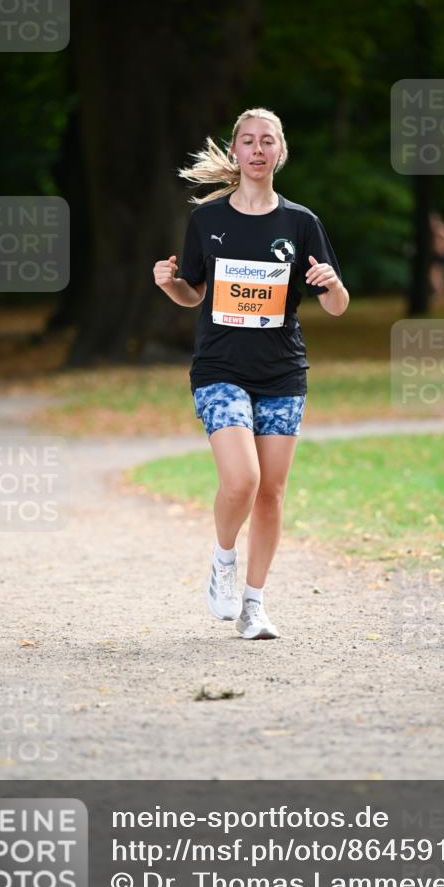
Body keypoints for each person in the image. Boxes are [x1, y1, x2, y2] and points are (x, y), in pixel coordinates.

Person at [154, 107, 349, 640]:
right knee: (243, 480)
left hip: (282, 371)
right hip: (219, 367)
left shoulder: (301, 224)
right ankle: (222, 560)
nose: (258, 150)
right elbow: (192, 291)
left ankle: (254, 605)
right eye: (248, 141)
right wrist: (168, 282)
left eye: (268, 141)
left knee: (271, 493)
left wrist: (332, 283)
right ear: (235, 152)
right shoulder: (208, 221)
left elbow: (335, 306)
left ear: (280, 153)